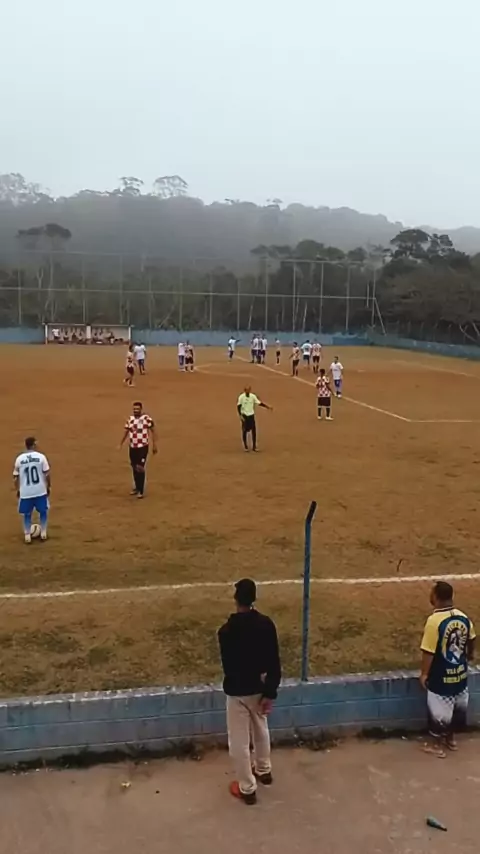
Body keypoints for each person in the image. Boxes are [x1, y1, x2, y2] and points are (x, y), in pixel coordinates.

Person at [218, 578, 281, 805]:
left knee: (239, 741)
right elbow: (274, 661)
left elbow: (229, 667)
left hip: (238, 691)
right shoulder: (266, 625)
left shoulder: (226, 631)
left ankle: (247, 788)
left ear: (236, 600)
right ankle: (264, 770)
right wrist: (269, 691)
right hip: (259, 688)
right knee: (261, 729)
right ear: (254, 598)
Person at [420, 581, 475, 756]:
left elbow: (428, 651)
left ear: (436, 596)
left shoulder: (434, 621)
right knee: (457, 706)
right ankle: (451, 740)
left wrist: (424, 674)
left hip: (441, 676)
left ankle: (437, 746)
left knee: (439, 712)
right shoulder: (462, 617)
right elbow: (472, 638)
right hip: (460, 674)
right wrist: (470, 655)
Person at [13, 437, 51, 544]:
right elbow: (47, 474)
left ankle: (27, 535)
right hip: (40, 490)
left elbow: (15, 477)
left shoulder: (19, 459)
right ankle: (43, 533)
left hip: (25, 492)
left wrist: (18, 489)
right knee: (43, 511)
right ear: (33, 445)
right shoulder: (41, 457)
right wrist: (48, 486)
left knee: (27, 513)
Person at [119, 401, 158, 498]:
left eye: (137, 409)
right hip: (133, 447)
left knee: (140, 468)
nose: (136, 411)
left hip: (142, 447)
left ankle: (141, 490)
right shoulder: (130, 419)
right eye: (134, 409)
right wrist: (121, 443)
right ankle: (136, 487)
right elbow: (126, 431)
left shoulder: (146, 419)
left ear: (141, 409)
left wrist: (154, 445)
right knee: (134, 467)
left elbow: (153, 431)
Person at [237, 385, 272, 452]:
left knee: (254, 430)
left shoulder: (253, 396)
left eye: (249, 390)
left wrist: (267, 407)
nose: (248, 391)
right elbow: (238, 406)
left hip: (251, 415)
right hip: (244, 415)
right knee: (244, 431)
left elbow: (259, 403)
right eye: (246, 390)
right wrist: (240, 416)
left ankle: (254, 447)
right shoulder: (241, 397)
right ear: (244, 391)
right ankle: (245, 446)